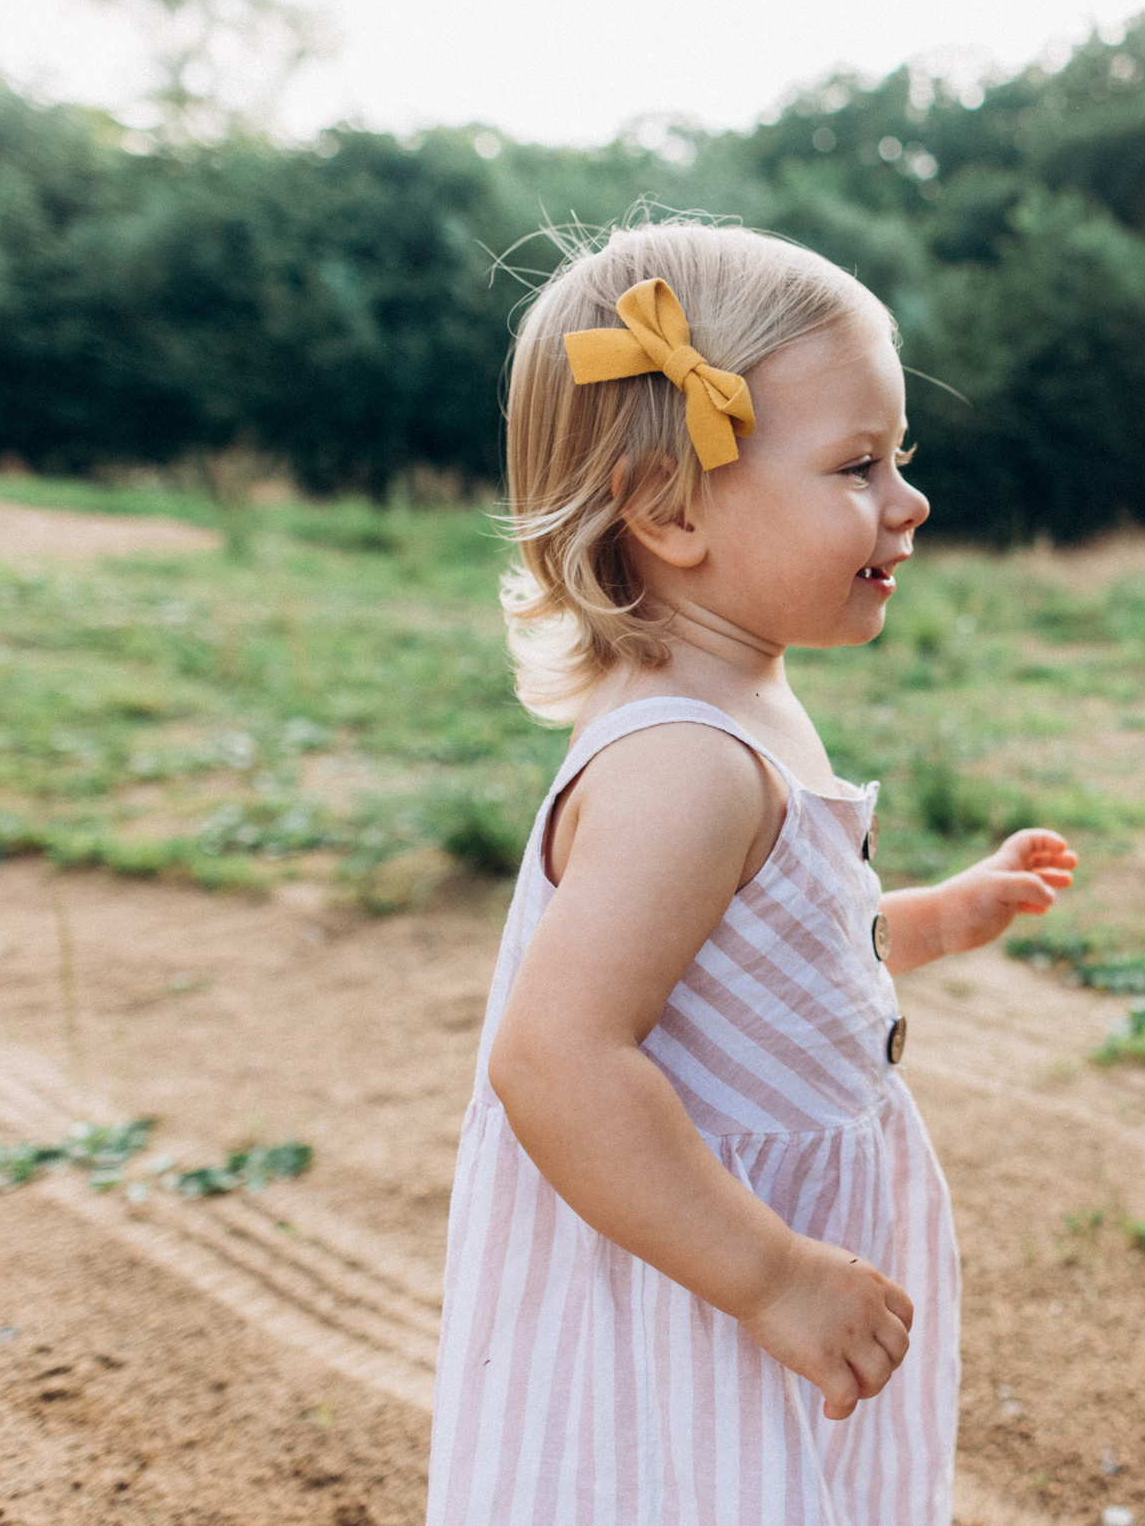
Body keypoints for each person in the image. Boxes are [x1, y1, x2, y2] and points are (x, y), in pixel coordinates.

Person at [427, 221, 1077, 1525]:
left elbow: (754, 965)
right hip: (697, 1276)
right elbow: (554, 1059)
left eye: (901, 459)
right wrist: (771, 1277)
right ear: (669, 509)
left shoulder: (739, 709)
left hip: (736, 1257)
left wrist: (924, 919)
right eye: (857, 464)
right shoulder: (684, 764)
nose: (909, 501)